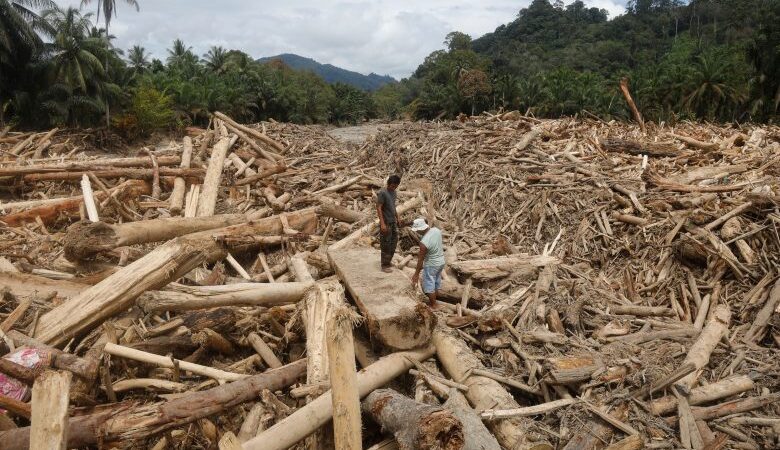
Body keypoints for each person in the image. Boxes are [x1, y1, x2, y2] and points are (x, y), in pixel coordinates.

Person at [410, 218, 445, 308]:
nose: (417, 233)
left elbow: (420, 260)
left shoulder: (424, 243)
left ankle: (433, 304)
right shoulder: (436, 230)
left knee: (429, 285)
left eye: (417, 231)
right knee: (436, 283)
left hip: (431, 264)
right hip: (441, 262)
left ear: (421, 229)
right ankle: (435, 301)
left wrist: (416, 274)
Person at [376, 174, 401, 273]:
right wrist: (382, 223)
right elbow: (378, 207)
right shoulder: (383, 193)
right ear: (388, 184)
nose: (393, 188)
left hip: (392, 221)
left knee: (394, 241)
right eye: (392, 186)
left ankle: (388, 261)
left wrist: (397, 217)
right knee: (385, 243)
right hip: (386, 221)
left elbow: (393, 206)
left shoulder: (394, 193)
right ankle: (384, 265)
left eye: (395, 186)